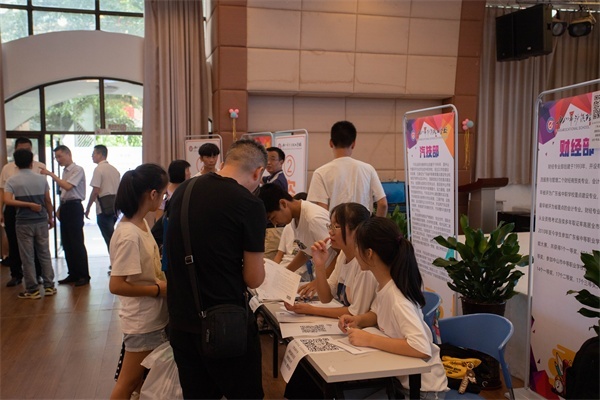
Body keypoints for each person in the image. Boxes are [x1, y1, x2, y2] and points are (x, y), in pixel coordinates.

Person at [166, 139, 267, 399]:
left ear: (224, 162)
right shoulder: (249, 204)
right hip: (225, 325)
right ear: (258, 172)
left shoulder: (184, 190)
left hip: (181, 320)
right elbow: (254, 278)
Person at [338, 217, 448, 398]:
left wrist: (369, 339)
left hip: (423, 391)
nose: (355, 252)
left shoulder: (397, 298)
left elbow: (421, 347)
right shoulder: (384, 285)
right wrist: (358, 320)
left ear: (369, 253)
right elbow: (376, 312)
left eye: (357, 246)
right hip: (399, 380)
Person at [108, 163, 169, 400]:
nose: (163, 200)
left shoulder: (140, 223)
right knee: (128, 383)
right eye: (162, 194)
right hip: (142, 321)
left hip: (151, 317)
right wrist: (157, 290)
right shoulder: (128, 235)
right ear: (153, 194)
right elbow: (116, 285)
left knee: (142, 383)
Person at [285, 202, 377, 318]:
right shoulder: (343, 254)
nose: (330, 232)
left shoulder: (365, 264)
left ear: (357, 230)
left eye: (336, 226)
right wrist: (320, 265)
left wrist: (311, 310)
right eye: (330, 226)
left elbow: (356, 313)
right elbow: (326, 297)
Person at [3, 149, 55, 299]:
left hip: (23, 222)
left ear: (16, 163)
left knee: (27, 256)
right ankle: (49, 286)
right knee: (44, 253)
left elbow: (7, 201)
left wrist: (27, 204)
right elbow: (47, 200)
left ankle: (32, 289)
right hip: (41, 221)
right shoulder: (41, 179)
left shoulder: (12, 180)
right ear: (32, 162)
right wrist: (50, 217)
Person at [307, 120, 388, 217]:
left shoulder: (320, 173)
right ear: (353, 144)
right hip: (363, 226)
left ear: (331, 143)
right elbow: (383, 204)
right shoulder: (368, 169)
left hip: (335, 226)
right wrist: (376, 225)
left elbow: (321, 212)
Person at [258, 183, 337, 281]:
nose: (275, 223)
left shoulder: (313, 218)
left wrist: (319, 282)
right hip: (324, 276)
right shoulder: (294, 219)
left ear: (283, 203)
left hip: (333, 276)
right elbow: (305, 252)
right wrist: (284, 274)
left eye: (273, 217)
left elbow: (339, 252)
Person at [41, 145, 90, 287]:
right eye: (56, 157)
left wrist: (50, 174)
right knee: (67, 242)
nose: (58, 160)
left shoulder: (77, 169)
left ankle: (83, 275)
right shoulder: (65, 171)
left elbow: (68, 186)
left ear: (69, 154)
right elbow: (65, 193)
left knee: (76, 242)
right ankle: (73, 273)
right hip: (66, 206)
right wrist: (59, 208)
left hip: (74, 207)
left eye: (60, 156)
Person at [0, 137, 45, 287]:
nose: (24, 152)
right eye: (21, 149)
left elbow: (45, 193)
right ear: (15, 150)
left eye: (27, 149)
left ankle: (38, 275)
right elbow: (2, 191)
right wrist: (1, 211)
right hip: (12, 208)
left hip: (35, 208)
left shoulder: (39, 167)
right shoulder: (7, 168)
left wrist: (48, 212)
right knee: (13, 242)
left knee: (36, 244)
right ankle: (16, 274)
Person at [84, 145, 121, 260]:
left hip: (103, 208)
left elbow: (96, 191)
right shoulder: (114, 170)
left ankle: (116, 262)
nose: (92, 156)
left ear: (100, 154)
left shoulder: (99, 169)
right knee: (112, 236)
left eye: (94, 154)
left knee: (109, 238)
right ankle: (116, 261)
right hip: (115, 207)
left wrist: (88, 208)